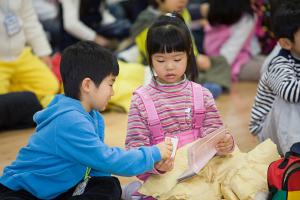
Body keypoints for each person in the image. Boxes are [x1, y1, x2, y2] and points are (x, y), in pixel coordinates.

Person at [0, 41, 173, 199]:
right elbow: (108, 159)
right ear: (88, 85)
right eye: (110, 84)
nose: (112, 92)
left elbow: (97, 167)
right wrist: (153, 153)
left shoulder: (94, 116)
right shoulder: (70, 120)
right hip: (22, 192)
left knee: (108, 185)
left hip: (57, 189)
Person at [123, 13, 234, 200]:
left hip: (204, 174)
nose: (169, 67)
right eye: (160, 60)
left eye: (177, 59)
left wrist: (226, 143)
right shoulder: (141, 100)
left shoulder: (202, 94)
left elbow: (215, 134)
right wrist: (155, 166)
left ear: (188, 55)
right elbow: (135, 149)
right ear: (149, 58)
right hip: (164, 180)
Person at [249, 0, 300, 155]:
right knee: (288, 98)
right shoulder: (277, 64)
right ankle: (295, 158)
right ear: (286, 43)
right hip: (269, 133)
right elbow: (289, 92)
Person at [0, 0, 59, 130]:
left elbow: (29, 20)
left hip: (21, 53)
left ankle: (10, 89)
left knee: (50, 86)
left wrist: (43, 52)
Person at [201, 0, 264, 82]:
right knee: (272, 67)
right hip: (228, 65)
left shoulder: (216, 10)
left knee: (270, 62)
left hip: (215, 59)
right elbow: (229, 53)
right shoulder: (246, 17)